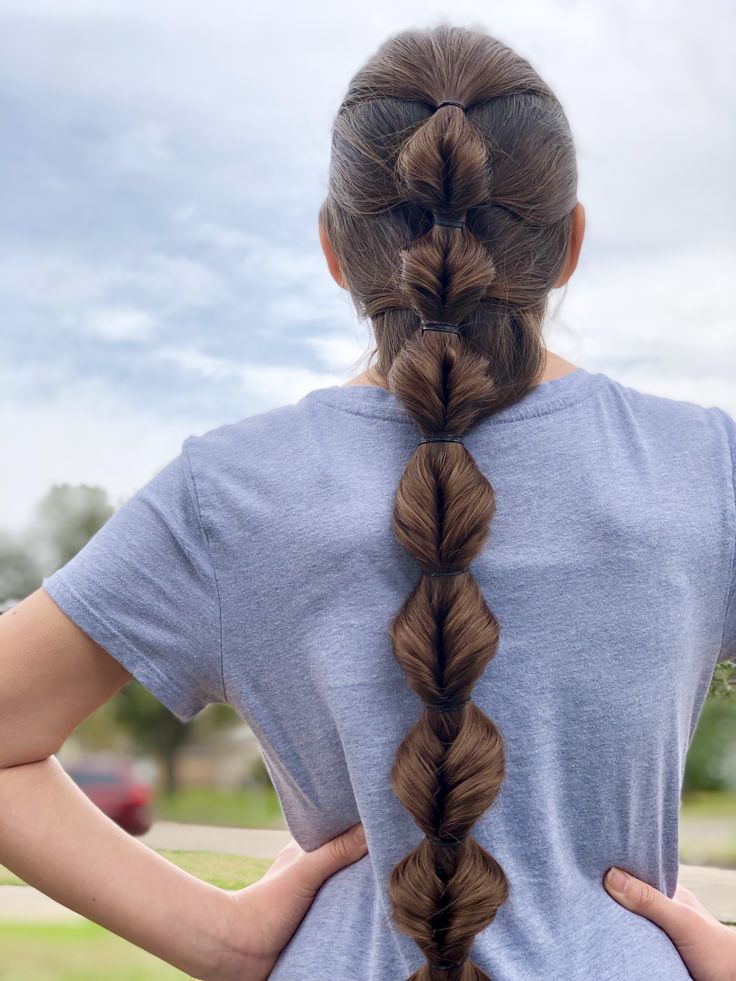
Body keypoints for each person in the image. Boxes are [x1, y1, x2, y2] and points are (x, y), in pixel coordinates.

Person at [0, 21, 734, 981]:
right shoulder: (704, 469)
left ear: (334, 251)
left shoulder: (229, 491)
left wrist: (216, 938)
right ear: (569, 245)